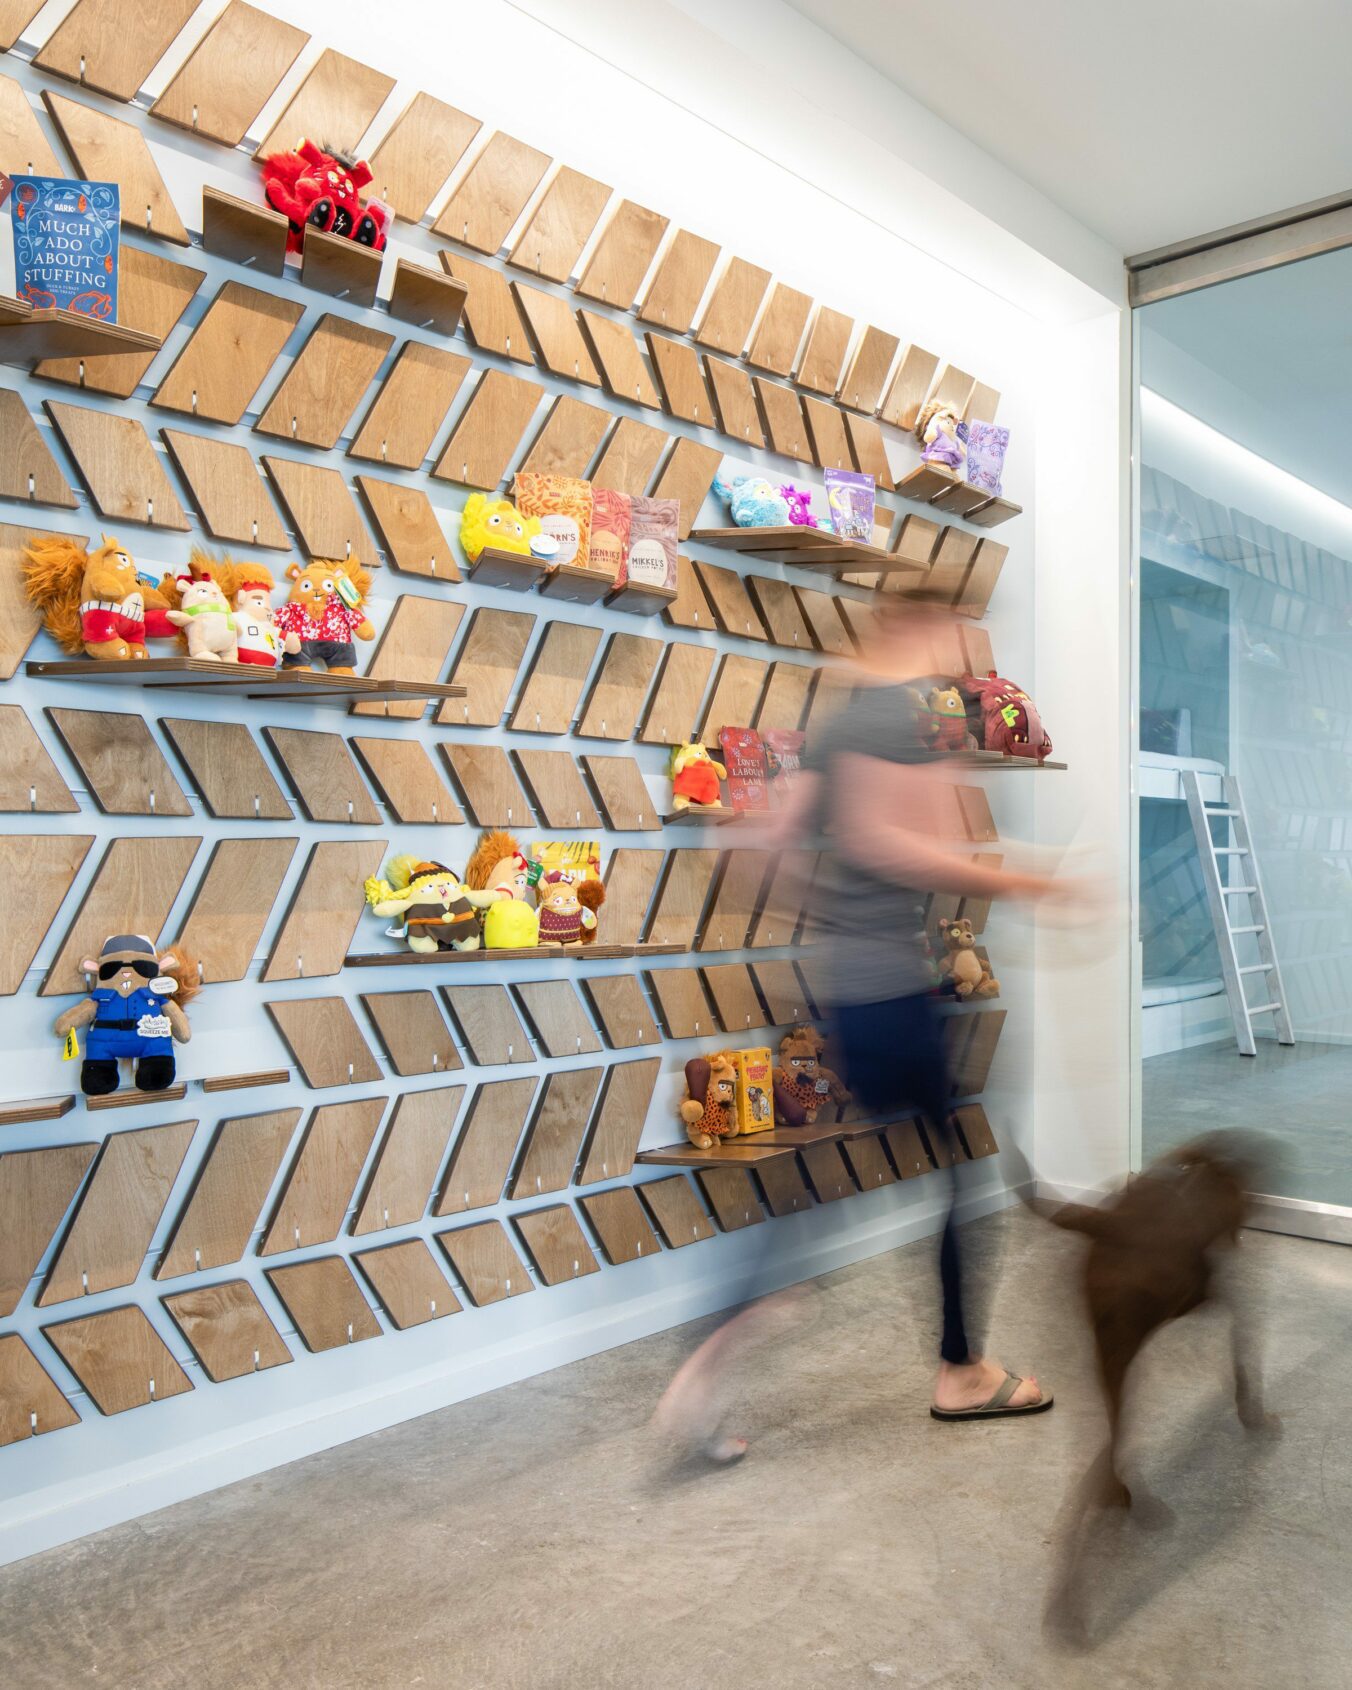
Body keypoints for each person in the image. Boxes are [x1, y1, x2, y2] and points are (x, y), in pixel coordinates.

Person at [654, 594, 1080, 1460]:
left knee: (825, 1194)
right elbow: (890, 844)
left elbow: (761, 854)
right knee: (964, 1171)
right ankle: (961, 1371)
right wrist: (1018, 882)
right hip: (891, 990)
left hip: (848, 989)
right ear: (921, 632)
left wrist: (829, 905)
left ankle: (711, 1359)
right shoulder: (900, 718)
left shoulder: (838, 729)